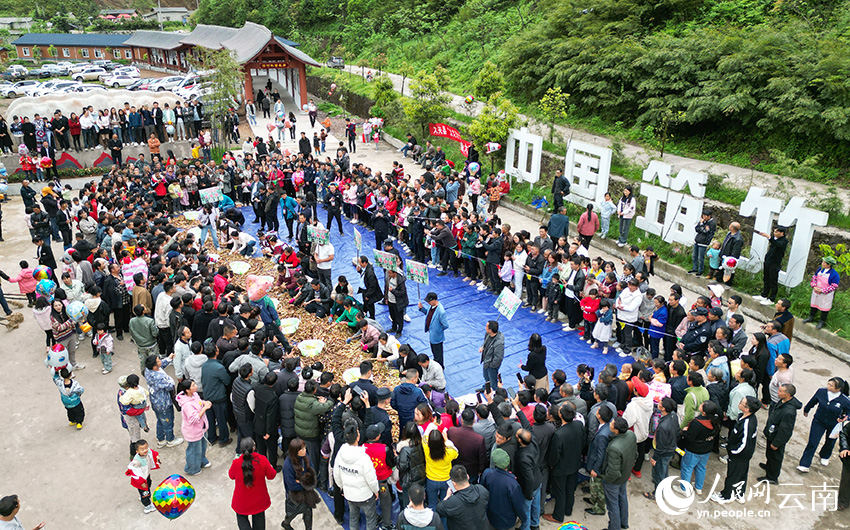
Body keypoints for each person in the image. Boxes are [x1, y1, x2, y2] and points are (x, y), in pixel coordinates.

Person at [334, 419, 380, 530]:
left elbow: (336, 474)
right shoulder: (364, 457)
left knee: (353, 517)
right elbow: (371, 479)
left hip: (349, 494)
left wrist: (342, 488)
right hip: (365, 496)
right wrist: (376, 490)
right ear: (357, 437)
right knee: (370, 519)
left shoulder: (341, 453)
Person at [712, 396, 760, 503]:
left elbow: (744, 443)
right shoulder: (744, 417)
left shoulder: (748, 423)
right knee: (741, 474)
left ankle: (726, 496)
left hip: (740, 455)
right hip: (742, 454)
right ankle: (739, 493)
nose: (739, 403)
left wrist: (733, 452)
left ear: (747, 409)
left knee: (732, 475)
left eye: (741, 403)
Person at [797, 377, 850, 472]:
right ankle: (804, 464)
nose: (828, 386)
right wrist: (807, 409)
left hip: (834, 424)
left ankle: (825, 455)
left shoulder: (845, 400)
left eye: (831, 385)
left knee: (830, 442)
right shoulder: (821, 392)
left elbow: (849, 413)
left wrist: (845, 418)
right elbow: (813, 400)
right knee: (813, 442)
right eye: (828, 384)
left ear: (838, 389)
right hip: (819, 421)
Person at [544, 403, 585, 523]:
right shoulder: (578, 425)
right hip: (574, 463)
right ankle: (568, 509)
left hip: (561, 468)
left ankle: (558, 516)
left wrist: (552, 465)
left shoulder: (559, 434)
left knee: (560, 491)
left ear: (561, 415)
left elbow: (554, 454)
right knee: (570, 488)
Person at [228, 437, 276, 530]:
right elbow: (271, 475)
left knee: (242, 520)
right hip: (259, 500)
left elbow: (231, 475)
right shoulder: (262, 460)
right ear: (253, 448)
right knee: (259, 521)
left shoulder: (236, 462)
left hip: (241, 501)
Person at [759, 383, 801, 484]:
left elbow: (785, 430)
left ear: (787, 394)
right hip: (772, 434)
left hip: (777, 438)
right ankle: (769, 467)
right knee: (770, 454)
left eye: (781, 391)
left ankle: (772, 477)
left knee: (775, 457)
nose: (778, 392)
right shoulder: (782, 401)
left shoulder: (789, 411)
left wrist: (776, 443)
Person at [600, 417, 637, 530]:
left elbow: (613, 472)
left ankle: (615, 527)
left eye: (612, 423)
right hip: (625, 474)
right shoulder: (631, 434)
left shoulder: (614, 448)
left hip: (614, 481)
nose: (610, 423)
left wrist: (606, 479)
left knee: (613, 505)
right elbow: (635, 454)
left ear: (616, 430)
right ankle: (624, 523)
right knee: (622, 497)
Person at [679, 400, 720, 495]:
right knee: (701, 468)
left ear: (704, 412)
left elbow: (690, 437)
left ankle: (684, 489)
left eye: (702, 405)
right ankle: (698, 487)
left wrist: (685, 431)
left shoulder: (697, 423)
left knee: (687, 468)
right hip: (706, 449)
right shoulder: (715, 421)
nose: (700, 404)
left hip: (694, 450)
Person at [479, 448, 527, 530]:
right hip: (506, 521)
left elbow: (482, 490)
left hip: (490, 516)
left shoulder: (487, 473)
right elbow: (518, 505)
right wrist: (524, 518)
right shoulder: (512, 483)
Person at [644, 397, 679, 500]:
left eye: (660, 403)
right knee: (664, 468)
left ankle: (657, 492)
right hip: (670, 448)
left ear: (663, 408)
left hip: (663, 452)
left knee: (659, 471)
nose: (658, 404)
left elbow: (661, 446)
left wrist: (655, 458)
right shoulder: (673, 416)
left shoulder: (663, 426)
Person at [281, 438, 319, 530]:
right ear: (295, 451)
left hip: (307, 492)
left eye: (304, 448)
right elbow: (291, 485)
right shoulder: (287, 465)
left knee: (308, 511)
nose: (305, 450)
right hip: (294, 495)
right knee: (292, 513)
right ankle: (286, 523)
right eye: (302, 449)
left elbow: (312, 471)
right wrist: (306, 482)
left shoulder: (306, 456)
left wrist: (301, 481)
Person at [435, 465, 489, 530]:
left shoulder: (452, 502)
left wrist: (447, 496)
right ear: (468, 476)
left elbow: (439, 509)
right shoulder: (481, 490)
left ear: (453, 483)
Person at [176, 379, 211, 476]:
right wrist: (204, 408)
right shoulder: (187, 405)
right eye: (193, 385)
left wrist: (204, 403)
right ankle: (192, 468)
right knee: (194, 450)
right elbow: (194, 419)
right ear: (187, 390)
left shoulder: (195, 395)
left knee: (202, 447)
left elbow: (199, 402)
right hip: (193, 431)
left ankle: (201, 461)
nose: (196, 386)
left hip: (201, 428)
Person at [423, 428, 459, 509]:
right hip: (446, 480)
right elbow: (456, 453)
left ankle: (434, 521)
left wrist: (434, 423)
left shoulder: (426, 447)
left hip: (431, 480)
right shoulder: (449, 452)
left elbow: (425, 434)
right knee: (445, 504)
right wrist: (446, 440)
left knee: (432, 504)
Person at [753, 226, 788, 305]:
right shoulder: (774, 239)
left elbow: (778, 245)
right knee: (766, 278)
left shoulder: (784, 241)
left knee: (773, 281)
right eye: (774, 231)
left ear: (782, 233)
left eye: (776, 232)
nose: (774, 233)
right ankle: (764, 295)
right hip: (768, 261)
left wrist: (768, 237)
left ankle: (771, 299)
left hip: (775, 264)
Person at [125, 439, 160, 514]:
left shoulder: (147, 452)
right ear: (137, 451)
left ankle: (144, 497)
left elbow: (152, 453)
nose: (145, 450)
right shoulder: (136, 461)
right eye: (142, 449)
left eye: (146, 448)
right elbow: (135, 472)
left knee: (149, 484)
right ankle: (147, 506)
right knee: (145, 493)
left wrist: (157, 457)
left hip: (146, 476)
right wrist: (141, 483)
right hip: (141, 481)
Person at [805, 256, 841, 329]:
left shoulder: (834, 274)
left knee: (824, 307)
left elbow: (834, 286)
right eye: (823, 262)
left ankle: (822, 321)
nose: (822, 263)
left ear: (829, 265)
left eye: (824, 262)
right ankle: (811, 317)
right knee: (814, 304)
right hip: (816, 291)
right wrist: (814, 286)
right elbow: (814, 278)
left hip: (826, 294)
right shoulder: (820, 270)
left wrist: (822, 290)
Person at [419, 292, 449, 366]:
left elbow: (445, 325)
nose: (428, 303)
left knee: (438, 354)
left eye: (429, 301)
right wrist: (422, 308)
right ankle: (436, 364)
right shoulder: (431, 306)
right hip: (432, 335)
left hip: (437, 336)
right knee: (434, 352)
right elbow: (428, 313)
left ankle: (440, 367)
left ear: (434, 300)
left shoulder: (441, 311)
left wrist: (437, 329)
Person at [689, 210, 717, 276]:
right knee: (694, 256)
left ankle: (700, 270)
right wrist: (702, 227)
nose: (703, 217)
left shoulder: (712, 223)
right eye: (703, 215)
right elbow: (697, 229)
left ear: (709, 216)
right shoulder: (703, 221)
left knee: (700, 257)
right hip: (698, 240)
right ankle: (694, 268)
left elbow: (705, 231)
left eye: (705, 216)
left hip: (704, 242)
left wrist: (701, 226)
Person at [479, 320, 504, 392]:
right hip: (486, 361)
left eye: (486, 326)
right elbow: (485, 343)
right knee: (486, 376)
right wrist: (482, 347)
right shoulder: (487, 334)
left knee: (493, 380)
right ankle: (486, 388)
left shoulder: (499, 343)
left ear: (490, 330)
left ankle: (496, 393)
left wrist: (492, 365)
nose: (485, 328)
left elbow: (498, 358)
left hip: (491, 365)